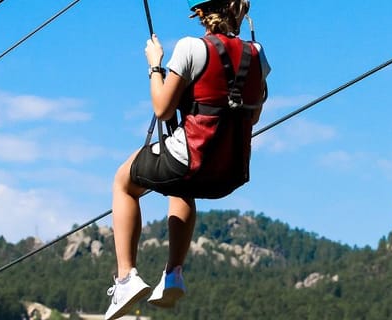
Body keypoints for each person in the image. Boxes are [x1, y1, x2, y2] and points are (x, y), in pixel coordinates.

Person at [104, 0, 270, 319]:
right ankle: (173, 274)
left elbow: (162, 109)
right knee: (181, 188)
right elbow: (255, 114)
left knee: (123, 182)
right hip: (231, 171)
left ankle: (126, 277)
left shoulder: (191, 47)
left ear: (203, 14)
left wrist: (155, 66)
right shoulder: (257, 53)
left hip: (188, 160)